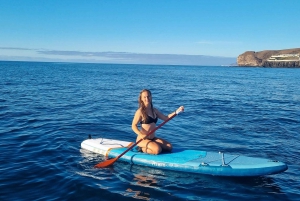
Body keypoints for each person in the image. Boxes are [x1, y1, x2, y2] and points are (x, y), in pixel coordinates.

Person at [132, 89, 184, 155]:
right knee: (157, 150)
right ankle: (141, 148)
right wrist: (140, 134)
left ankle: (152, 146)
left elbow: (166, 118)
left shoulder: (154, 111)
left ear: (151, 97)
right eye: (144, 97)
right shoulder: (140, 112)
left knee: (169, 147)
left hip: (153, 138)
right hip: (143, 140)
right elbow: (133, 125)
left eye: (148, 96)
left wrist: (177, 112)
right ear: (141, 99)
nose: (147, 98)